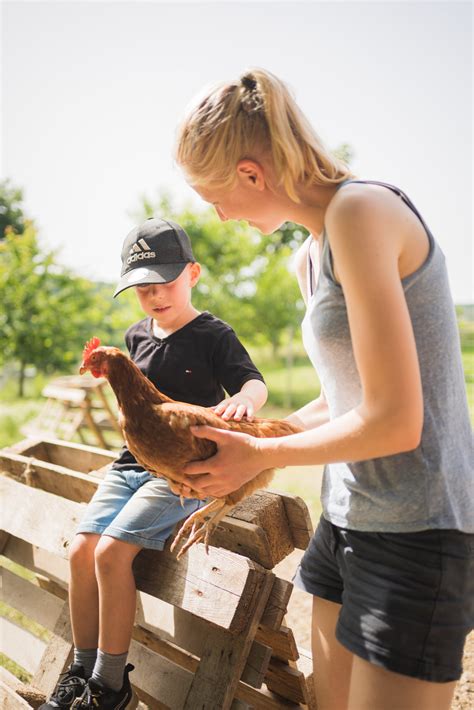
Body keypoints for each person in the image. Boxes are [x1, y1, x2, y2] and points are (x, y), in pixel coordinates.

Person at [174, 68, 474, 710]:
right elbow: (343, 400)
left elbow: (396, 421)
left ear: (253, 174)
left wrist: (261, 457)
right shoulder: (309, 254)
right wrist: (247, 434)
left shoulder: (362, 211)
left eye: (214, 197)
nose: (218, 215)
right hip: (346, 523)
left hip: (418, 531)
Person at [39, 217, 267, 710]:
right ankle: (78, 673)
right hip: (129, 466)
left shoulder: (212, 334)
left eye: (165, 283)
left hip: (183, 473)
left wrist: (245, 401)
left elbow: (252, 380)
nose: (155, 296)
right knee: (81, 549)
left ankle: (109, 685)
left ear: (194, 274)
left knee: (110, 553)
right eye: (142, 289)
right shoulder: (135, 337)